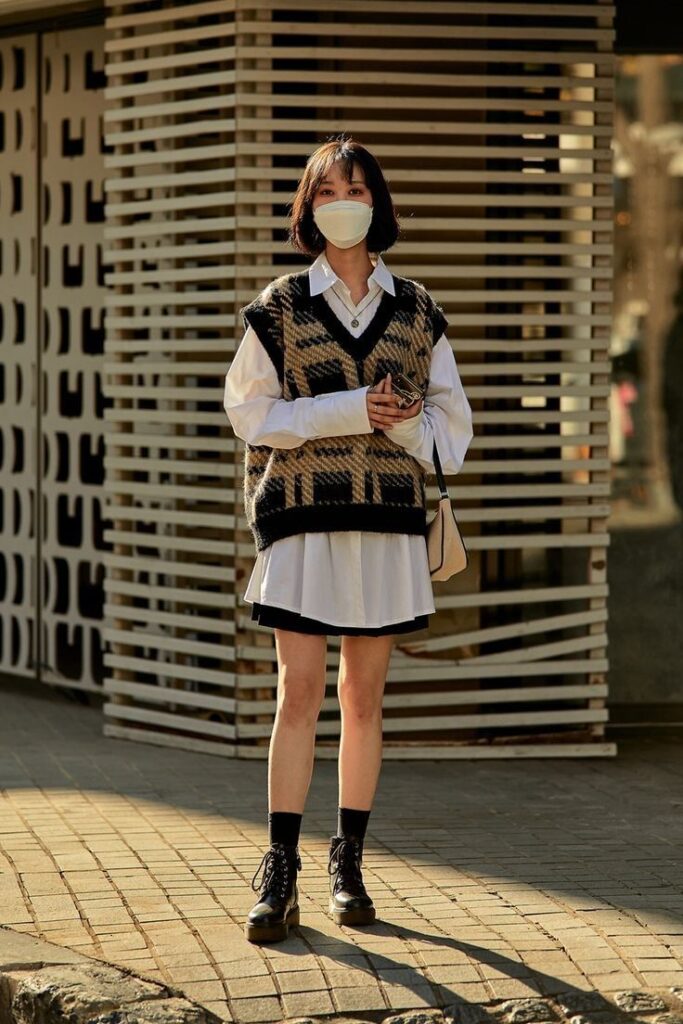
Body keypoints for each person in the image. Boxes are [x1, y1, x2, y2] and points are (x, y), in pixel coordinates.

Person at [223, 135, 473, 944]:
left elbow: (451, 431)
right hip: (301, 519)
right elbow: (249, 415)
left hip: (386, 524)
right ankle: (279, 867)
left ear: (377, 202)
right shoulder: (280, 303)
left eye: (357, 185)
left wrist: (400, 428)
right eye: (327, 186)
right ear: (308, 205)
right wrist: (344, 410)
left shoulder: (417, 307)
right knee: (298, 693)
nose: (343, 198)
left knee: (363, 699)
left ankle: (349, 863)